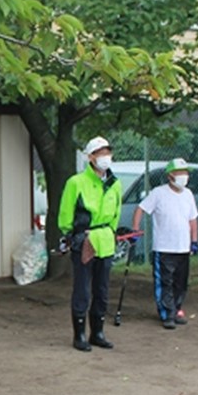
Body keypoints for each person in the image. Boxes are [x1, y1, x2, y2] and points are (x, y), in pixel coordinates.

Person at [57, 136, 122, 352]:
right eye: (100, 153)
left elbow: (116, 212)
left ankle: (98, 332)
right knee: (82, 290)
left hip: (105, 239)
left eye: (107, 152)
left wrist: (112, 232)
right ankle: (80, 334)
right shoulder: (76, 182)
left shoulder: (115, 183)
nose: (105, 157)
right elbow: (66, 213)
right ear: (90, 157)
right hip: (85, 238)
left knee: (102, 289)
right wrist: (71, 234)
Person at [132, 158, 198, 330]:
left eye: (186, 173)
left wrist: (194, 240)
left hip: (182, 247)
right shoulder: (158, 193)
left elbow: (193, 219)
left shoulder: (188, 195)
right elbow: (141, 208)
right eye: (180, 173)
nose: (184, 177)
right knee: (165, 281)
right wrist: (135, 229)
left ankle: (177, 309)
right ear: (171, 175)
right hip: (164, 247)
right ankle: (166, 313)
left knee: (180, 281)